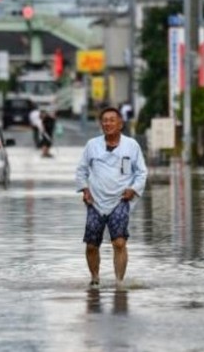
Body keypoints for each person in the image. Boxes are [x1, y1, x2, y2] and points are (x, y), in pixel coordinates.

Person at [75, 107, 148, 290]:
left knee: (119, 242)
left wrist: (133, 189)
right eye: (104, 120)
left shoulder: (131, 146)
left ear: (120, 124)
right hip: (95, 201)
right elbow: (81, 170)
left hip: (120, 200)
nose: (107, 123)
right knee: (92, 245)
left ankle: (119, 282)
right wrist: (85, 190)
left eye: (111, 120)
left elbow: (141, 172)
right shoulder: (92, 145)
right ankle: (95, 278)